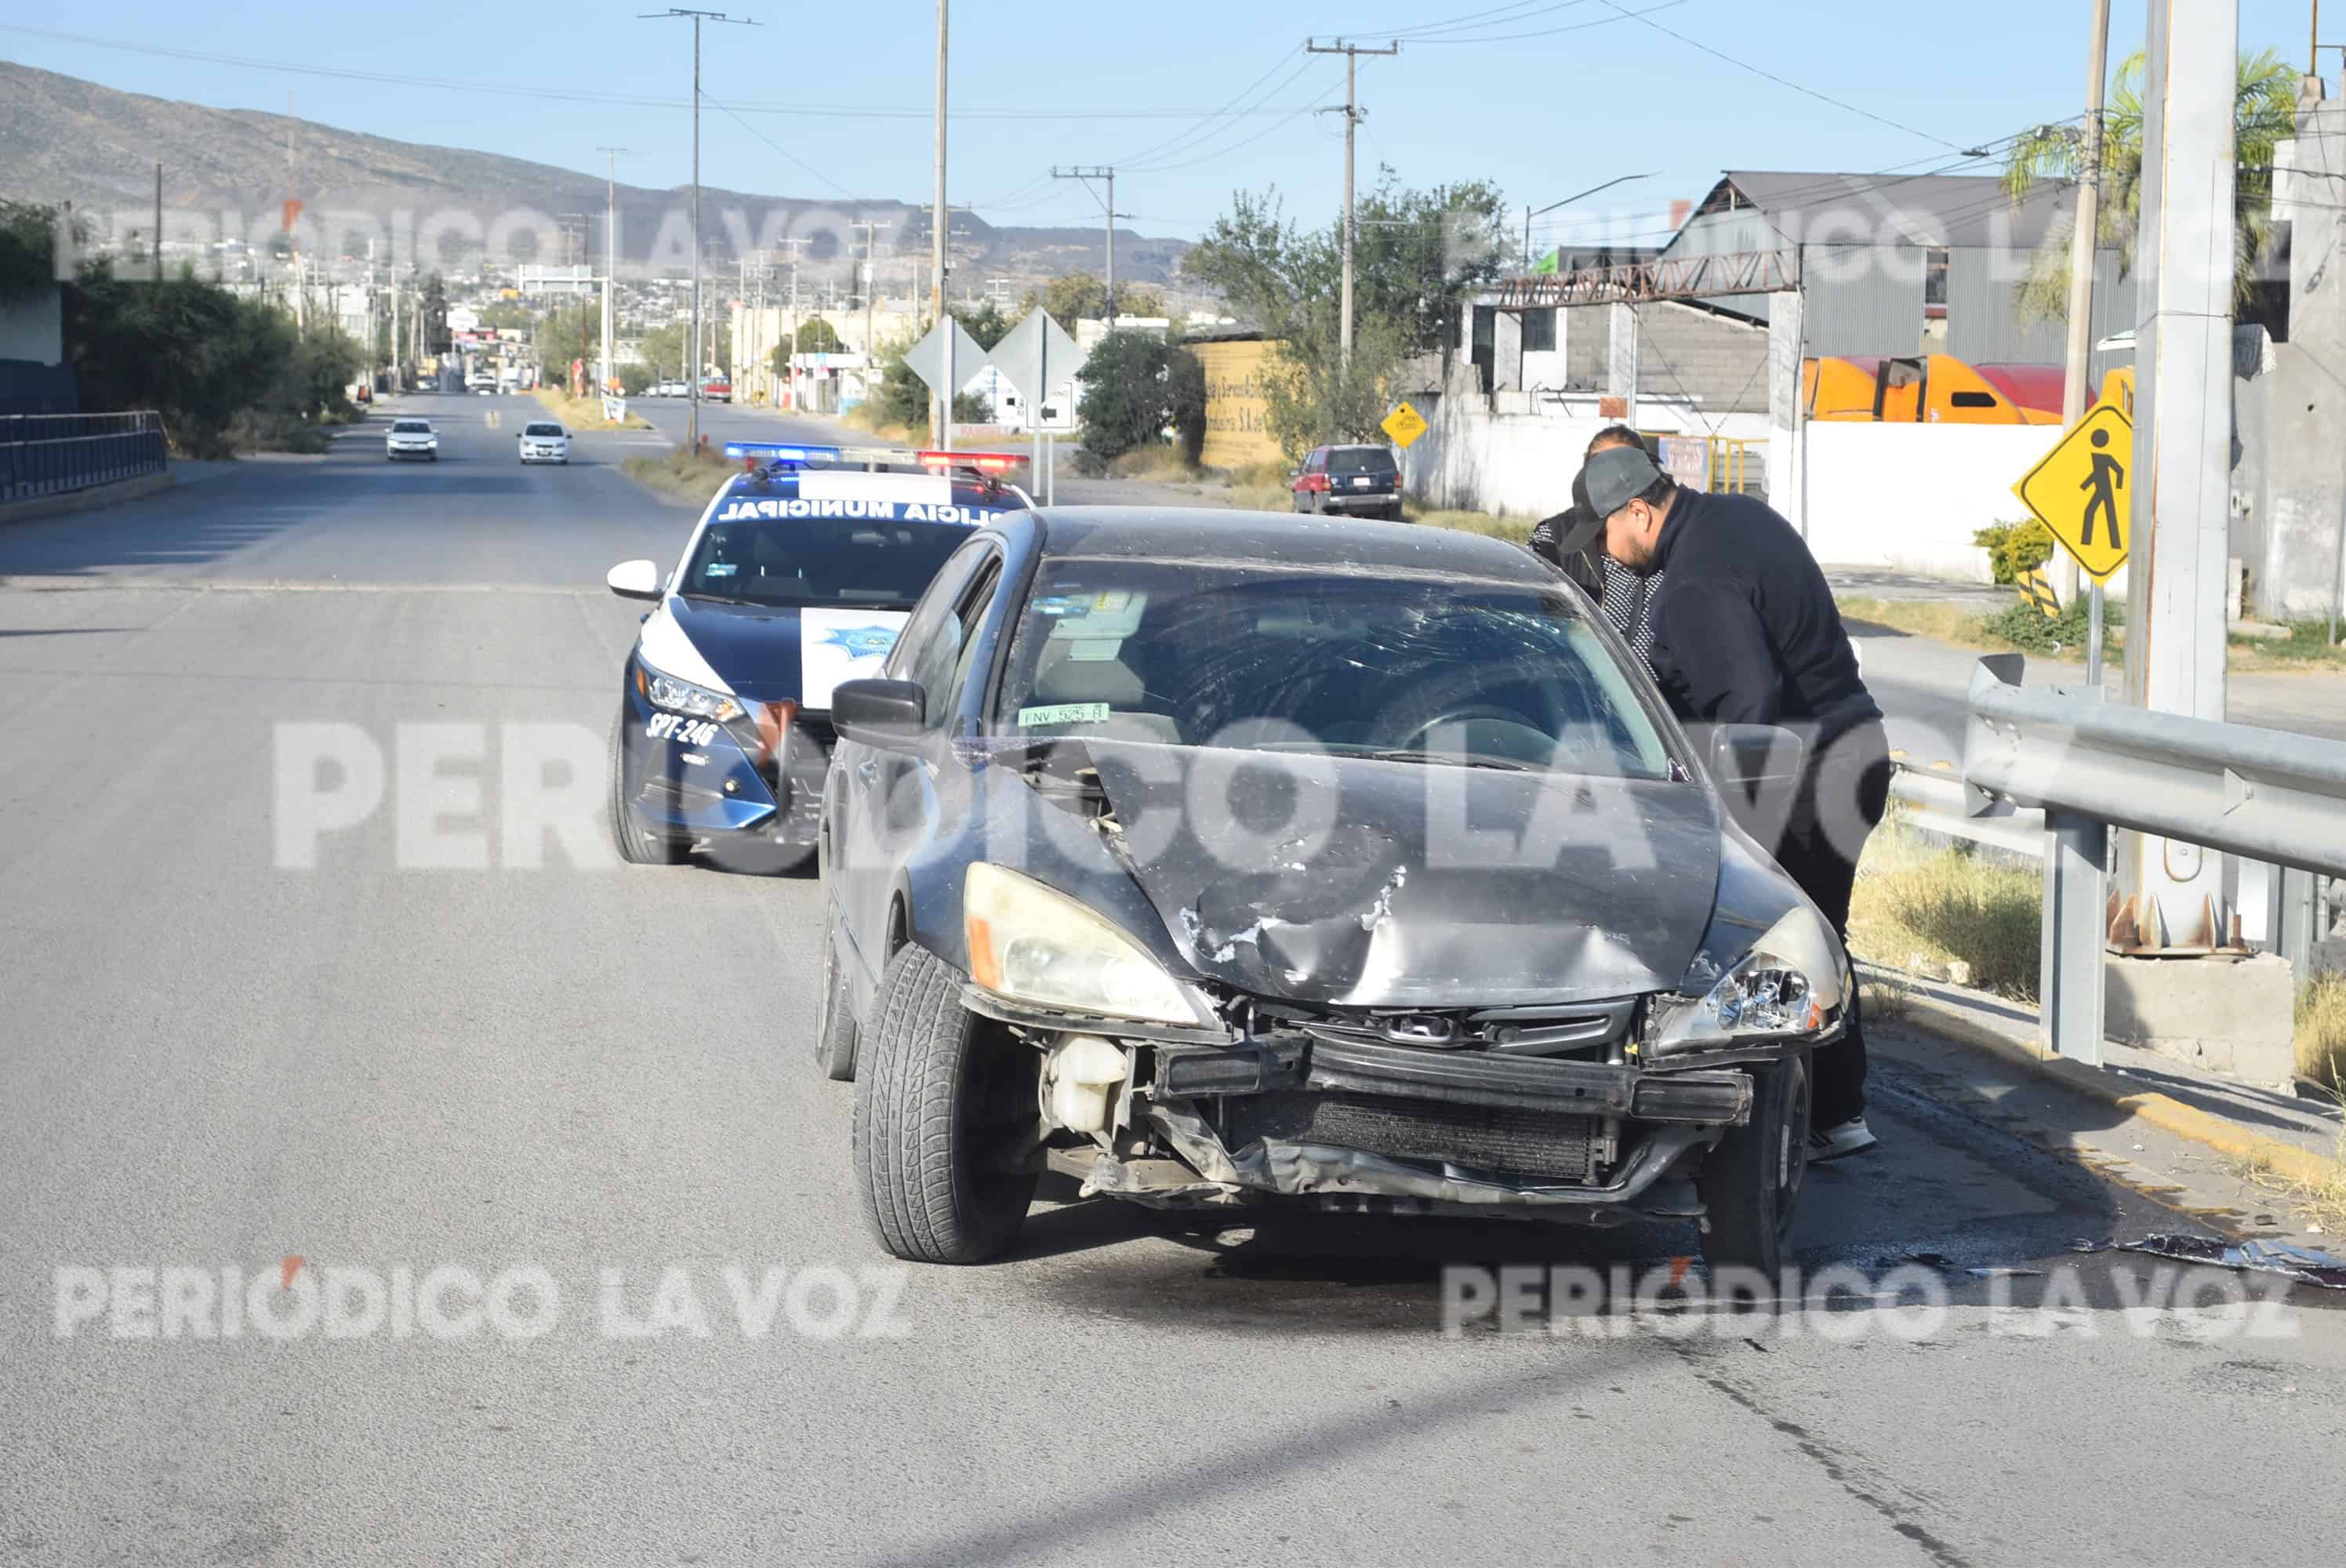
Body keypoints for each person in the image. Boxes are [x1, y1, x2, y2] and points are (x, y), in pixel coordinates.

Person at [1576, 441, 1889, 1160]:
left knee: (1767, 940)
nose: (1607, 552)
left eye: (1607, 534)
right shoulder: (1740, 517)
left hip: (1809, 776)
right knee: (1817, 931)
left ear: (1639, 510)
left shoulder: (1691, 582)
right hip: (1855, 751)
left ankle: (1793, 1123)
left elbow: (1748, 705)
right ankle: (1839, 1115)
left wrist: (1720, 829)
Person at [1527, 426, 1663, 672]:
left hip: (1656, 701)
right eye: (1601, 468)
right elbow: (1535, 623)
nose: (1611, 481)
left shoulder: (1664, 541)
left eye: (1623, 470)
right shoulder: (1555, 539)